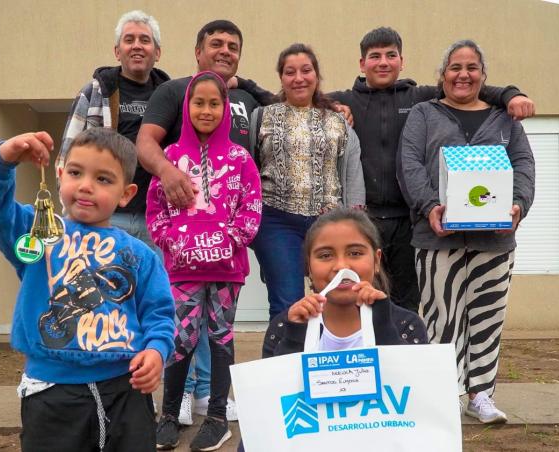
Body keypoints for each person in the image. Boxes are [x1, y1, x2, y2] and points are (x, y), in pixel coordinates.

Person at [0, 128, 175, 451]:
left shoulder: (142, 256)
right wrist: (2, 160)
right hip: (51, 394)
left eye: (104, 179)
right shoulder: (38, 231)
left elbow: (159, 313)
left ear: (126, 193)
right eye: (76, 173)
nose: (86, 186)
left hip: (126, 391)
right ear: (60, 175)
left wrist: (157, 351)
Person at [329, 27, 536, 314]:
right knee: (360, 303)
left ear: (402, 61)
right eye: (374, 56)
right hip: (364, 220)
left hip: (410, 222)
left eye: (391, 55)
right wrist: (330, 106)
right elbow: (301, 96)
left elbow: (468, 85)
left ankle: (404, 359)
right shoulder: (345, 100)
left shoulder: (420, 97)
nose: (383, 62)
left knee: (406, 308)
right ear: (362, 64)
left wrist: (512, 95)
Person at [398, 39, 535, 424]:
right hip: (436, 237)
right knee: (442, 318)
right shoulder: (424, 114)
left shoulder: (504, 117)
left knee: (487, 317)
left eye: (472, 67)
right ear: (443, 76)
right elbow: (409, 164)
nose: (463, 74)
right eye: (455, 67)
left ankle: (482, 396)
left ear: (483, 76)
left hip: (494, 242)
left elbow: (524, 164)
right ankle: (449, 394)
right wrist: (429, 206)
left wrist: (519, 205)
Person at [137, 19, 262, 423]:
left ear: (226, 108)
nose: (206, 110)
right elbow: (155, 208)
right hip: (183, 269)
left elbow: (252, 205)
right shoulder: (171, 157)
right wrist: (171, 242)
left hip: (228, 267)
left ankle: (218, 418)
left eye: (215, 104)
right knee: (181, 337)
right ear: (186, 106)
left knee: (222, 337)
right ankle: (170, 416)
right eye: (199, 103)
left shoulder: (240, 159)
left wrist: (232, 239)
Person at [248, 43, 365, 321]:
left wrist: (354, 224)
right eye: (290, 72)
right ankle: (283, 361)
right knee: (286, 303)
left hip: (329, 224)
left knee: (336, 300)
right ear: (281, 78)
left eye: (306, 70)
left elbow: (352, 173)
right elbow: (251, 168)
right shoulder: (262, 117)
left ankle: (327, 361)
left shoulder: (338, 121)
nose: (299, 78)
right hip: (277, 222)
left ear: (317, 76)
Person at [58, 10, 168, 250]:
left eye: (145, 40)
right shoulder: (95, 92)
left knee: (152, 286)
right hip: (106, 217)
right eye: (129, 40)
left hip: (156, 219)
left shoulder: (171, 98)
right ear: (117, 51)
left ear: (157, 52)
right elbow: (67, 155)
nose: (137, 46)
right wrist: (72, 213)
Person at [264, 207, 427, 356]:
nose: (341, 267)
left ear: (377, 261)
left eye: (355, 253)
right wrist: (294, 337)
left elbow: (412, 382)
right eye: (325, 256)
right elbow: (276, 385)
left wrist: (383, 327)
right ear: (309, 267)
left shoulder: (407, 326)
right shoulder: (285, 327)